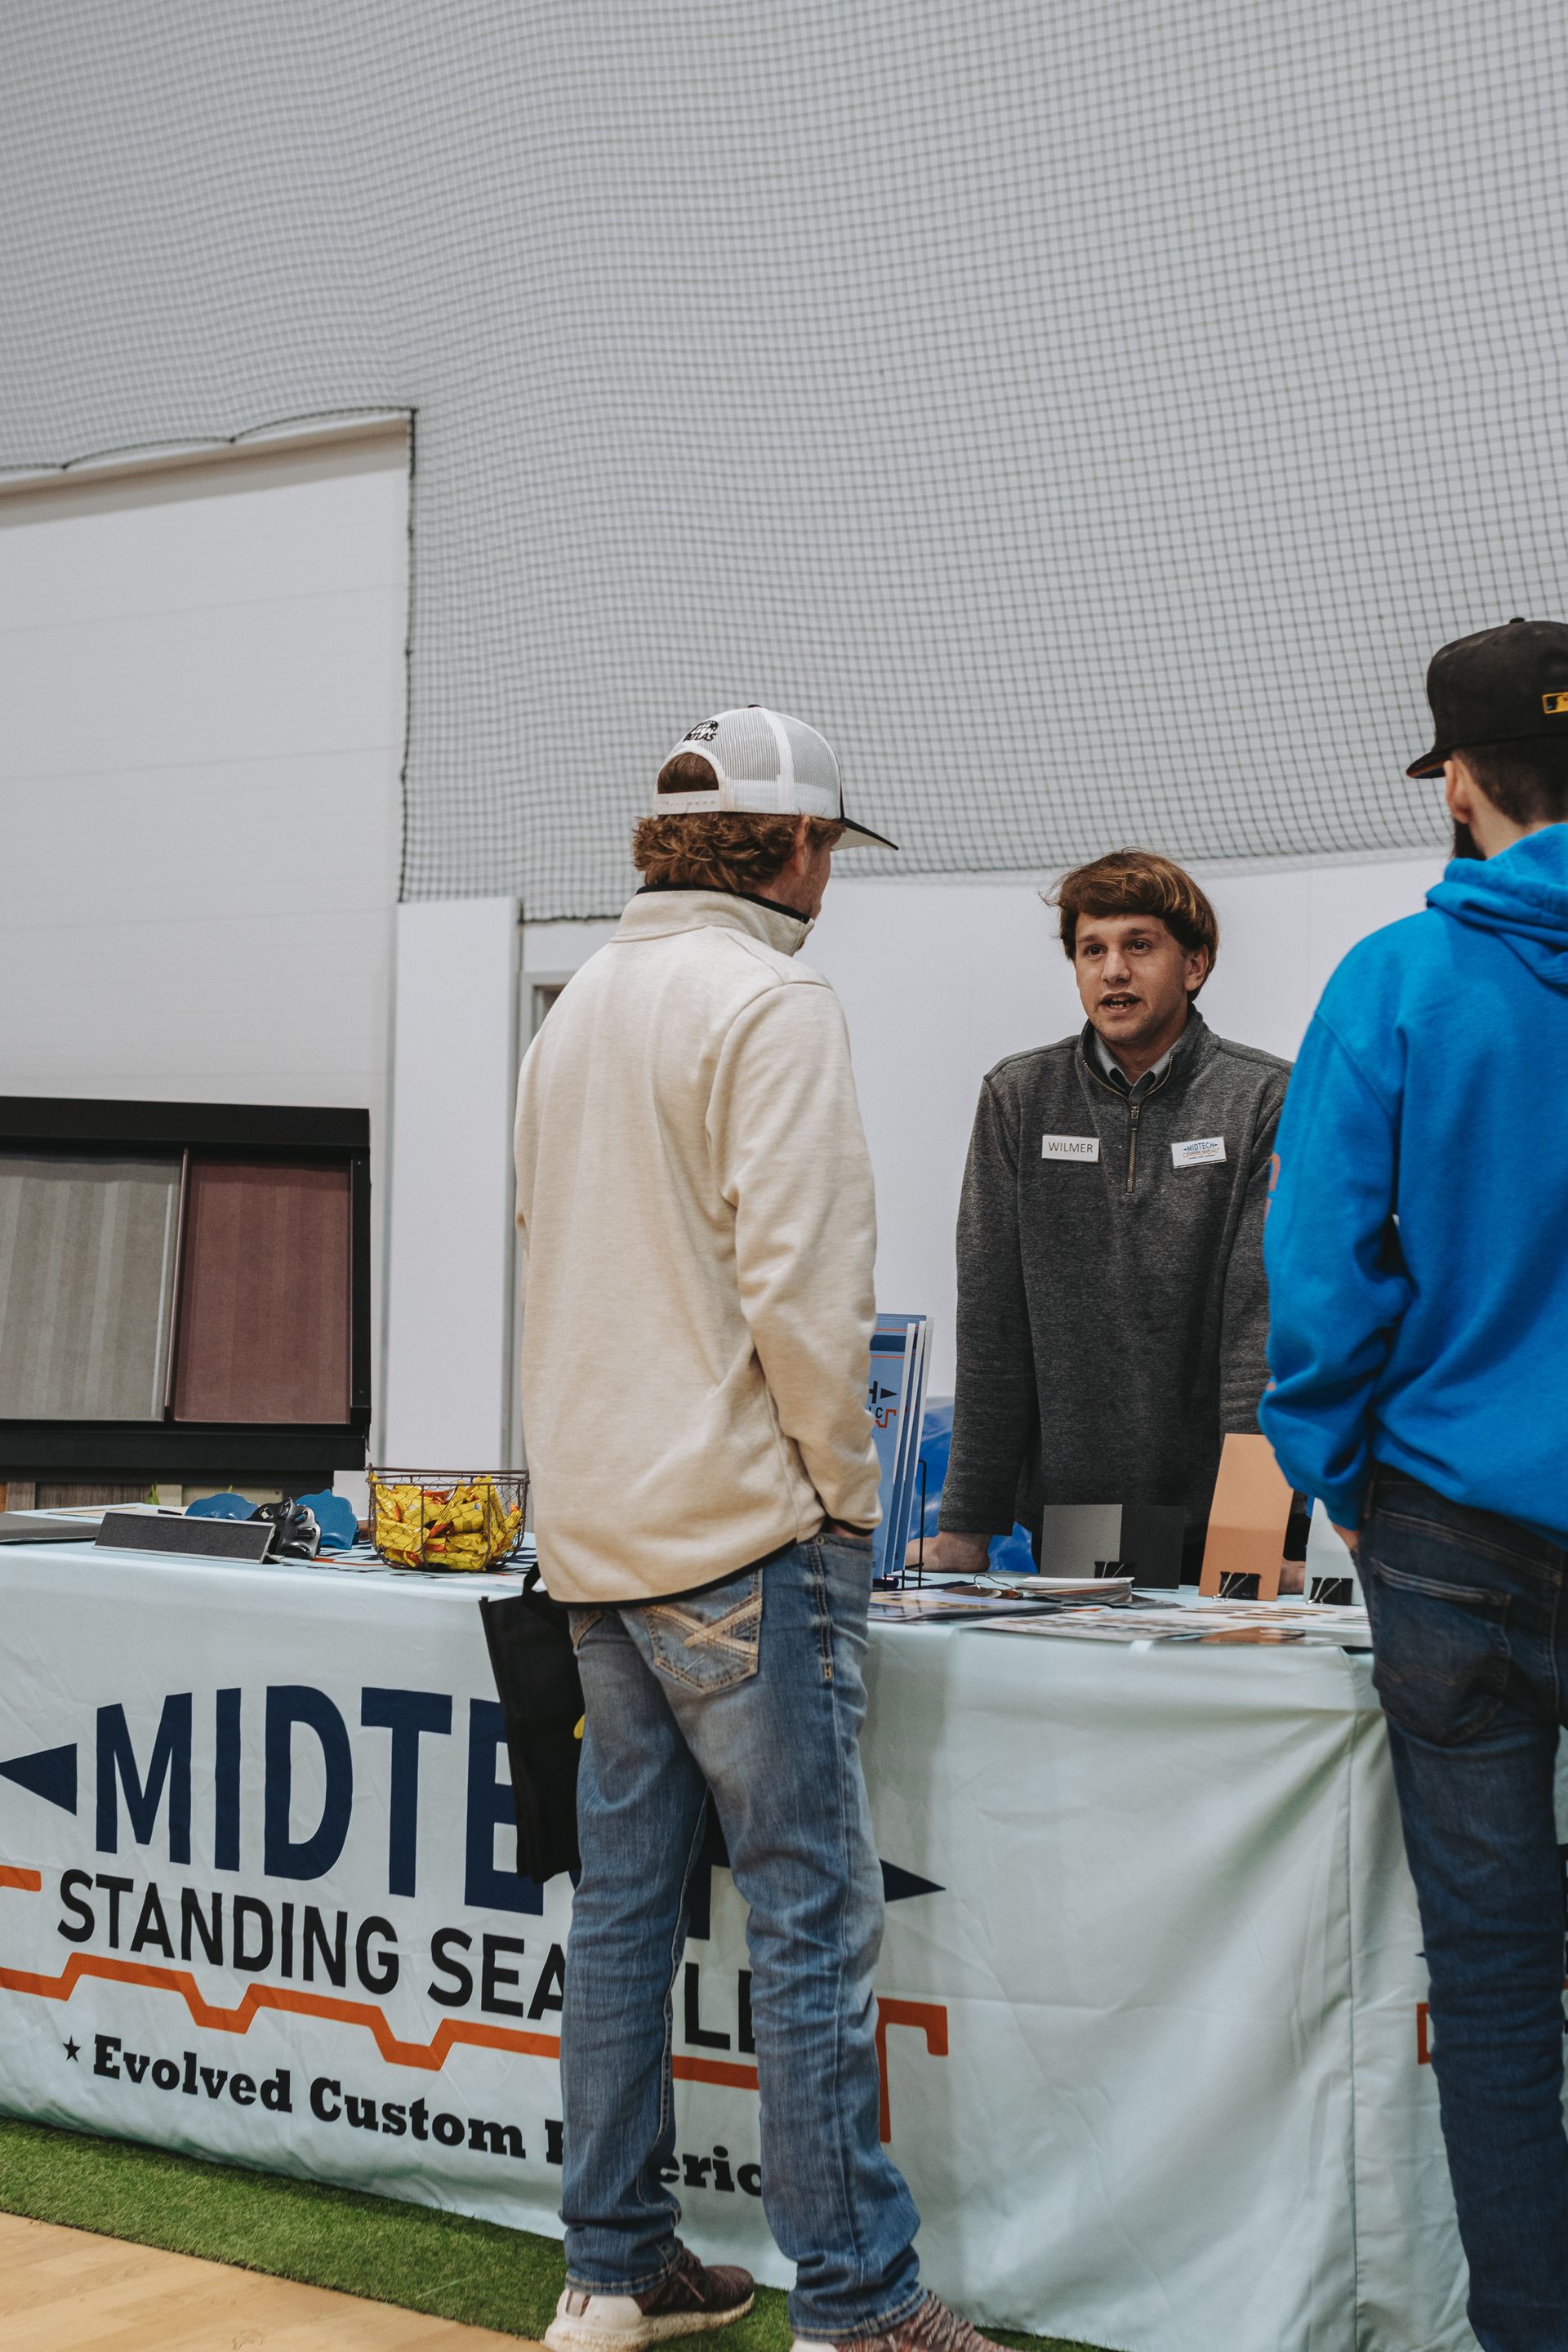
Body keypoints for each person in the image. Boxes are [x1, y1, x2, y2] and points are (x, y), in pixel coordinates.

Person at [514, 708, 1008, 2352]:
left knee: (623, 1912)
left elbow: (551, 1254)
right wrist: (847, 1499)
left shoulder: (579, 1006)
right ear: (798, 848)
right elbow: (804, 1289)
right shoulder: (773, 1000)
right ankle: (859, 2303)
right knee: (807, 1918)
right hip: (740, 1535)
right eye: (831, 851)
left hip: (597, 1538)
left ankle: (612, 2268)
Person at [1260, 618, 1568, 2352]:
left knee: (1500, 1988)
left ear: (1457, 783)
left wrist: (1339, 1470)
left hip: (1452, 1530)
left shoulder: (1394, 982)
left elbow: (1323, 1276)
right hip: (1460, 1522)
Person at [929, 849, 1290, 1580]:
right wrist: (965, 1529)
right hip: (1072, 1517)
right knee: (1084, 1661)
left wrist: (1254, 1534)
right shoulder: (1019, 1096)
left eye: (1139, 946)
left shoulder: (1264, 1098)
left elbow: (1261, 1332)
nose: (1114, 971)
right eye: (1092, 950)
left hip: (1223, 1522)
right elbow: (993, 1321)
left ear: (1195, 965)